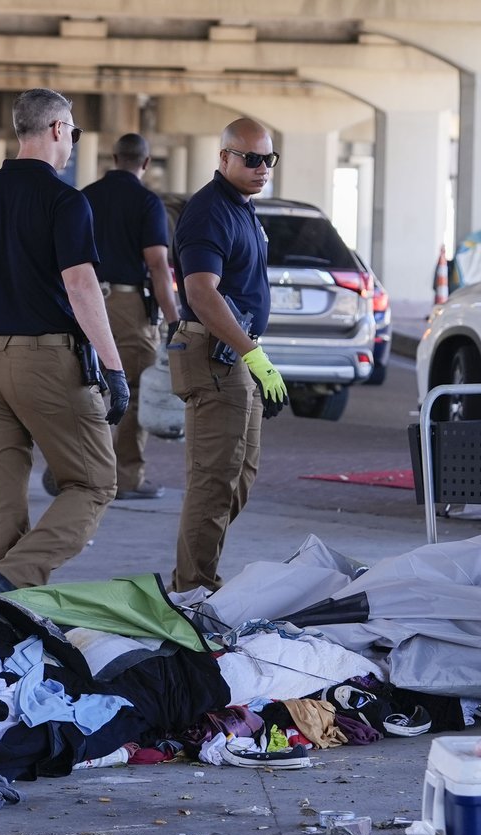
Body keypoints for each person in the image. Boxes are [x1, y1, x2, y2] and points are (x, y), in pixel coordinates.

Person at [0, 87, 130, 594]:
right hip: (45, 362)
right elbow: (80, 286)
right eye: (73, 131)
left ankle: (0, 616)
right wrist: (114, 369)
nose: (72, 140)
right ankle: (8, 582)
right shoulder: (66, 201)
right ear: (56, 129)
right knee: (93, 483)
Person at [169, 117, 287, 593]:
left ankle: (197, 575)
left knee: (240, 474)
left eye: (268, 160)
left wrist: (253, 354)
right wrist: (251, 353)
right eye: (251, 158)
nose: (262, 168)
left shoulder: (242, 208)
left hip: (237, 354)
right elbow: (201, 291)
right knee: (214, 478)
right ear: (224, 158)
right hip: (217, 355)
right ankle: (192, 588)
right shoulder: (210, 210)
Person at [80, 132, 179, 500]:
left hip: (83, 301)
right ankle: (125, 478)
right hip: (126, 307)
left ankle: (80, 472)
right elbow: (156, 263)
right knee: (133, 389)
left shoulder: (85, 197)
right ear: (146, 163)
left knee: (87, 387)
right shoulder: (147, 202)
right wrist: (173, 319)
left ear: (113, 157)